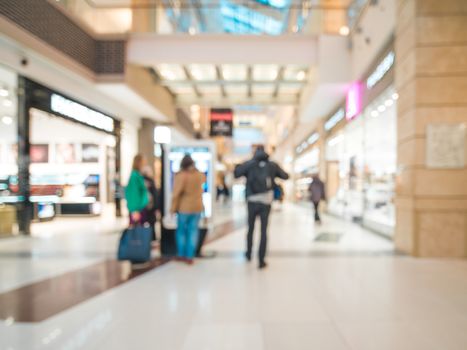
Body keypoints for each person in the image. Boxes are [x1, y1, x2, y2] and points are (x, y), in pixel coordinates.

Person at [234, 146, 289, 269]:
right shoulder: (272, 165)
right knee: (264, 230)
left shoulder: (250, 164)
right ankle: (261, 260)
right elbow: (286, 176)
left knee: (250, 228)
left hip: (252, 201)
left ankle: (248, 254)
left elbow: (236, 174)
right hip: (266, 201)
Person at [170, 154, 206, 265]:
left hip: (184, 208)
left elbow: (176, 194)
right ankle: (190, 256)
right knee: (193, 231)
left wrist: (172, 208)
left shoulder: (181, 176)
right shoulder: (199, 175)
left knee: (181, 231)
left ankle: (182, 254)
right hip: (197, 208)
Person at [125, 154, 149, 226]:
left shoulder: (137, 175)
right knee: (137, 232)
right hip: (137, 209)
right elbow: (133, 194)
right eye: (144, 162)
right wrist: (135, 210)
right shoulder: (135, 176)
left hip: (140, 208)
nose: (145, 164)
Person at [142, 166, 158, 241]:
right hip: (151, 206)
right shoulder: (151, 181)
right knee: (152, 224)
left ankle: (143, 239)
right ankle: (152, 239)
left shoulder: (141, 180)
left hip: (143, 207)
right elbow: (155, 194)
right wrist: (156, 207)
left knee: (142, 224)